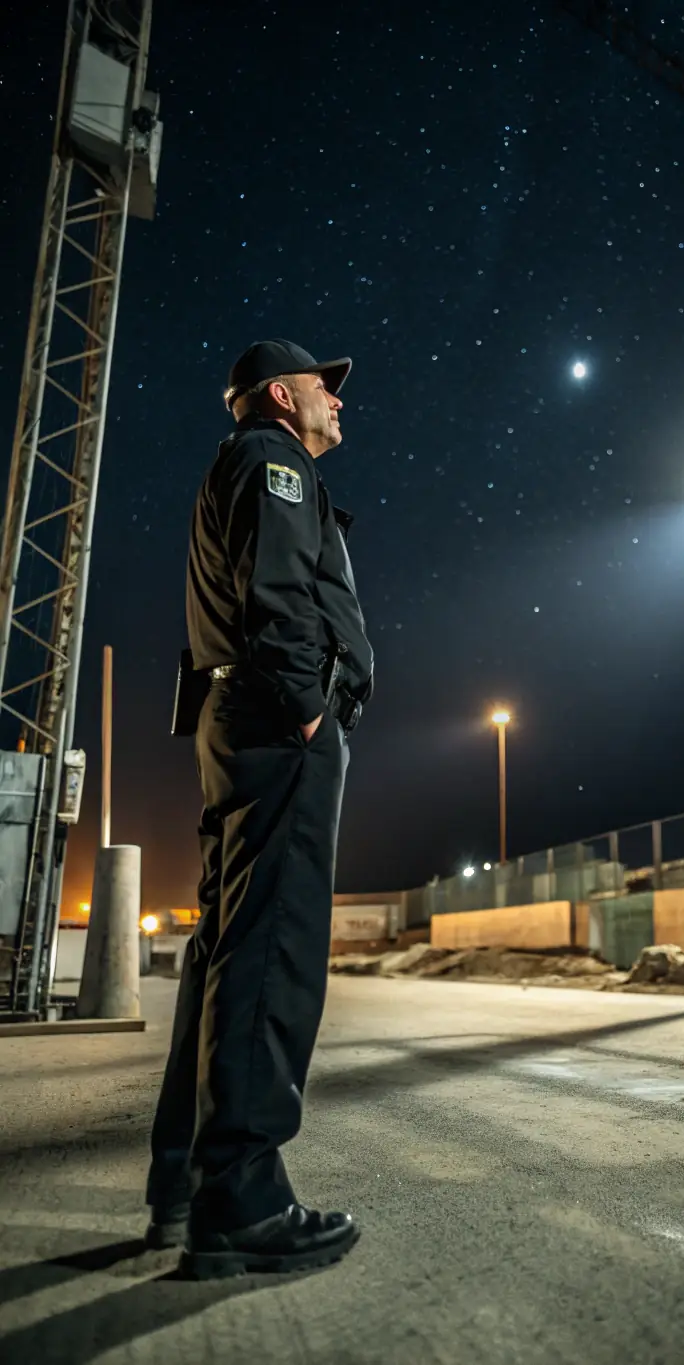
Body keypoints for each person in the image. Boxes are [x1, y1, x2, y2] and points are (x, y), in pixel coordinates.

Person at [145, 339, 374, 1279]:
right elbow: (277, 591)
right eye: (329, 387)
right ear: (284, 393)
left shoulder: (249, 464)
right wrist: (310, 706)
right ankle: (240, 1200)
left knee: (229, 942)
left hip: (241, 715)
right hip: (279, 721)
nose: (340, 402)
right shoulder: (272, 459)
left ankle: (184, 1183)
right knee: (273, 942)